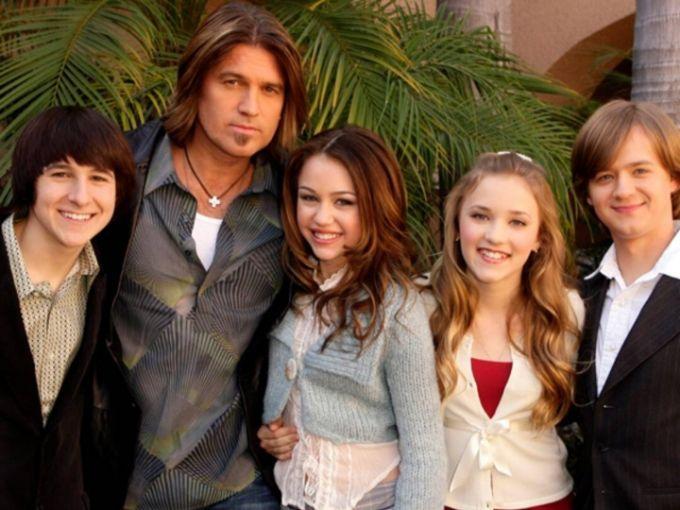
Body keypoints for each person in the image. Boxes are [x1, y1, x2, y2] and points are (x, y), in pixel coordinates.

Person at [109, 2, 307, 508]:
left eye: (270, 90)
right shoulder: (120, 177)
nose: (250, 107)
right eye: (232, 82)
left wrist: (295, 413)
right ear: (196, 83)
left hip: (239, 485)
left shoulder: (297, 202)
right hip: (118, 479)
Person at [257, 126, 446, 510]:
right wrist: (269, 430)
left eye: (344, 202)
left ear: (376, 206)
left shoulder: (397, 308)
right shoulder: (289, 286)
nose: (321, 217)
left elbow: (424, 448)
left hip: (370, 498)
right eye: (309, 198)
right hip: (295, 496)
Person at [428, 152, 584, 510]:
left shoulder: (566, 311)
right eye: (480, 216)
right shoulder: (421, 307)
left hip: (544, 500)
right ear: (457, 223)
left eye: (517, 222)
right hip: (442, 499)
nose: (495, 236)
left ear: (539, 237)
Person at [0, 106, 135, 510]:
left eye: (98, 178)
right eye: (61, 174)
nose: (80, 196)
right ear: (31, 181)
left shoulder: (102, 280)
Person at [571, 100, 680, 510]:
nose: (623, 190)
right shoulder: (580, 298)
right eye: (605, 176)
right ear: (589, 194)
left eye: (640, 171)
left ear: (673, 177)